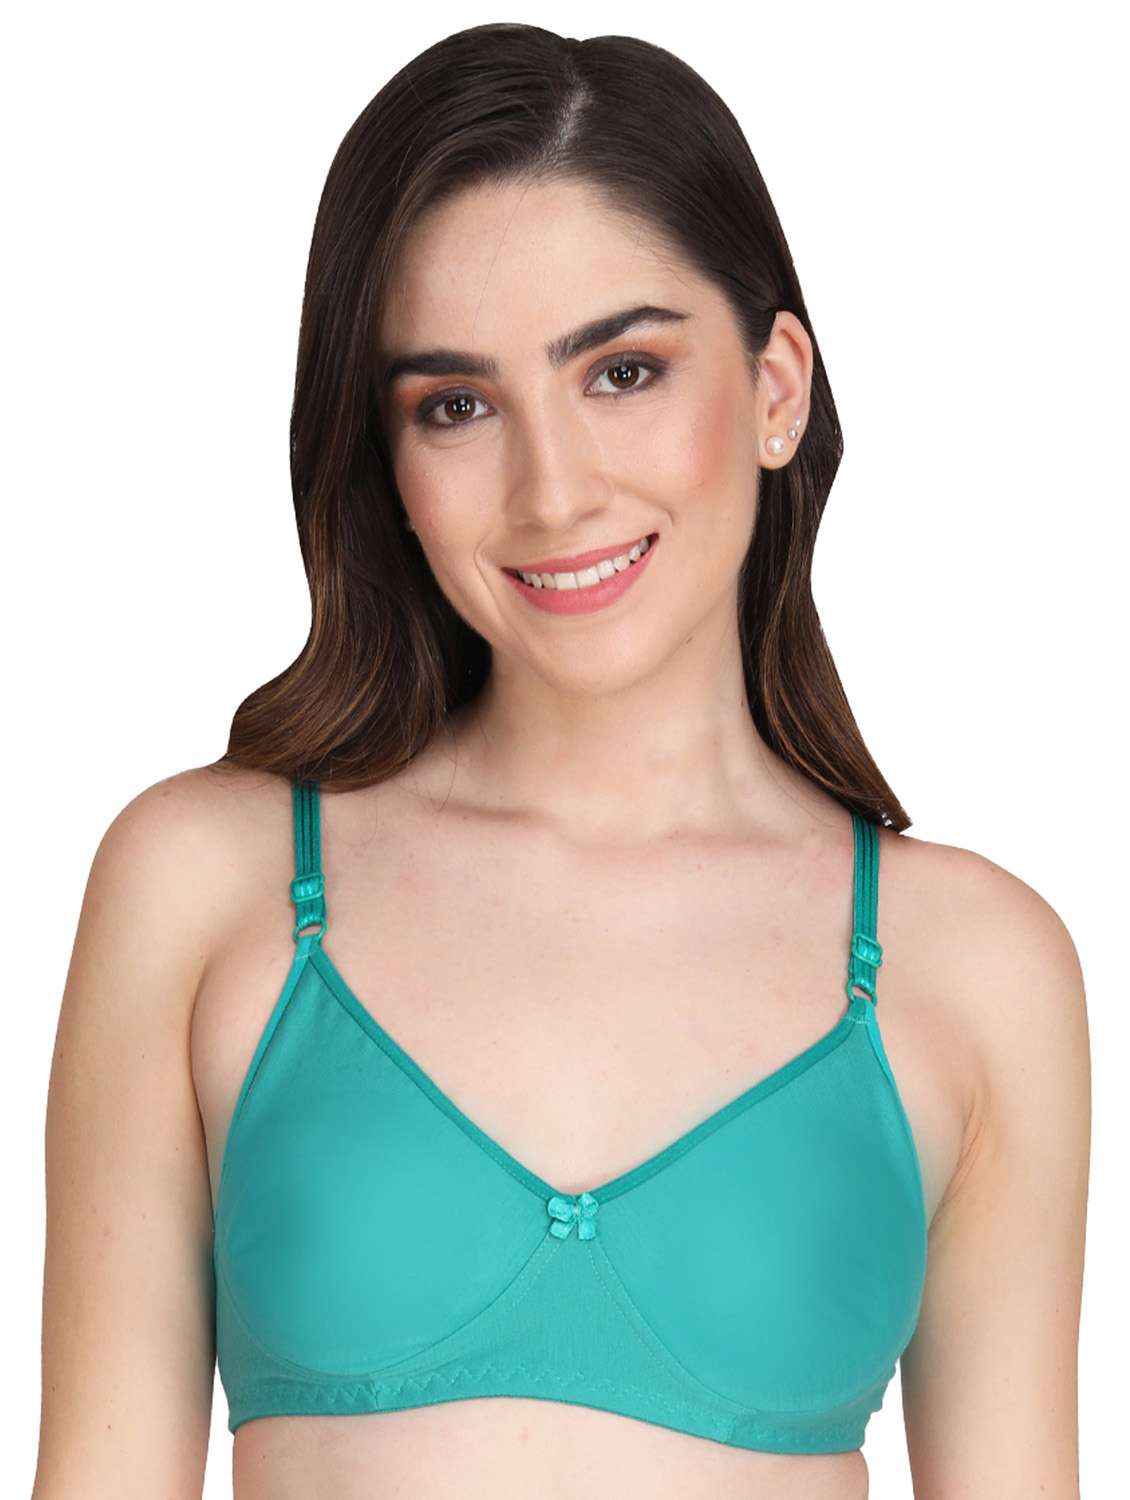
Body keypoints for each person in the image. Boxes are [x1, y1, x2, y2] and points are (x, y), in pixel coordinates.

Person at [32, 22, 1090, 1500]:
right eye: (456, 406)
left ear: (776, 388)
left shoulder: (975, 967)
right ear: (387, 460)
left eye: (623, 371)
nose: (552, 492)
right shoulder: (207, 887)